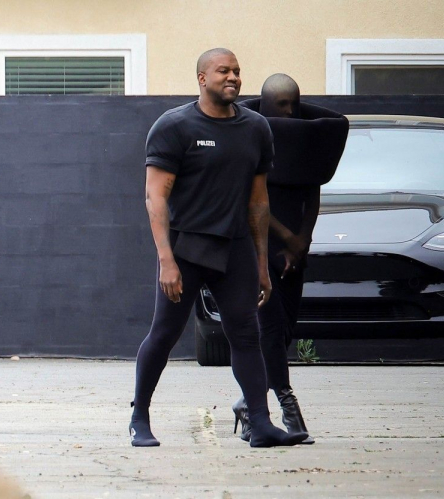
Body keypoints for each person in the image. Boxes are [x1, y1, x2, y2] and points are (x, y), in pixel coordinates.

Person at [129, 50, 308, 448]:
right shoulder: (174, 126)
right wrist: (166, 260)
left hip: (236, 248)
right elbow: (155, 198)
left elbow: (258, 202)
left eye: (237, 71)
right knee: (164, 334)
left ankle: (260, 424)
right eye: (223, 71)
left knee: (246, 335)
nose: (233, 77)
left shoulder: (256, 128)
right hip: (187, 249)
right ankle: (139, 417)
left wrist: (260, 264)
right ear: (202, 78)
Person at [232, 74, 349, 444]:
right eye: (282, 104)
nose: (290, 111)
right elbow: (253, 203)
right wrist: (288, 238)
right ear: (266, 106)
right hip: (258, 248)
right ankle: (287, 404)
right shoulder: (250, 139)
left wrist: (302, 241)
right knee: (268, 328)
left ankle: (247, 404)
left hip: (294, 251)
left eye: (294, 104)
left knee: (283, 331)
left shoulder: (304, 144)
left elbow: (313, 193)